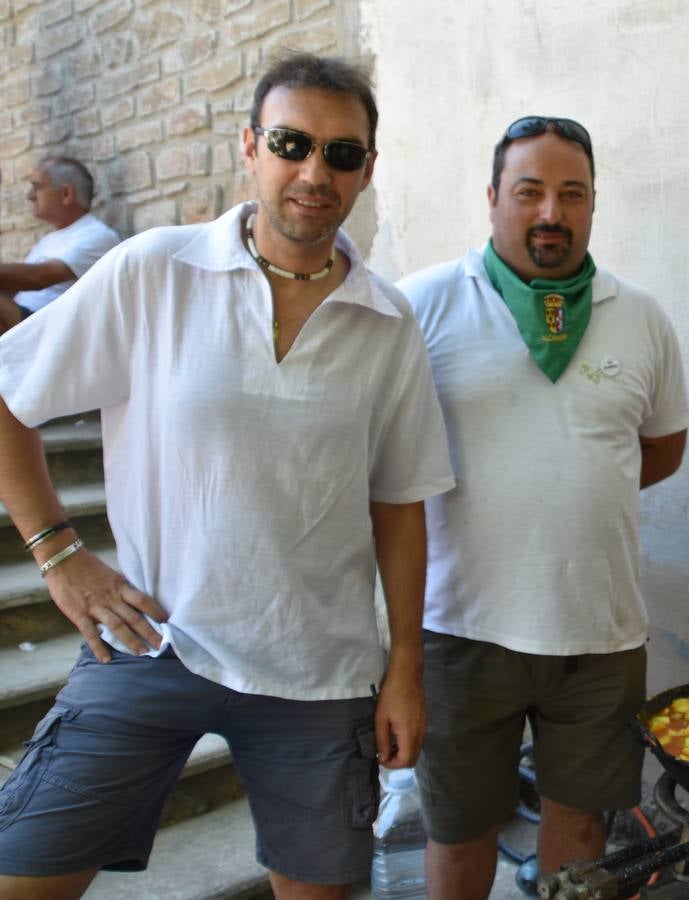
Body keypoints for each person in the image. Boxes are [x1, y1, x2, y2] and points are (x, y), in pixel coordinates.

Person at [0, 52, 456, 899]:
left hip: (318, 674)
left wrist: (405, 670)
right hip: (153, 642)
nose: (315, 172)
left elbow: (398, 505)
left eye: (342, 153)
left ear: (366, 170)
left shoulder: (388, 322)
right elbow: (8, 396)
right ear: (251, 147)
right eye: (292, 142)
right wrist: (61, 557)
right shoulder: (153, 270)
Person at [398, 116, 689, 900]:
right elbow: (380, 462)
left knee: (583, 835)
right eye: (529, 192)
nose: (551, 212)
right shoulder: (421, 305)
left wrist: (568, 490)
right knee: (461, 835)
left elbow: (660, 448)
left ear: (595, 204)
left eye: (572, 194)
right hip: (461, 629)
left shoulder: (642, 317)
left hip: (598, 635)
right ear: (493, 199)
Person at [0, 157, 120, 331]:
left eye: (37, 187)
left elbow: (39, 278)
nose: (30, 196)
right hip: (25, 324)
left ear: (66, 194)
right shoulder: (47, 241)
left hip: (50, 331)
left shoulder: (97, 235)